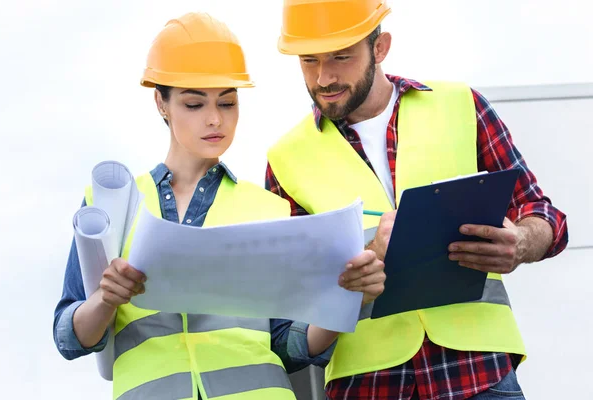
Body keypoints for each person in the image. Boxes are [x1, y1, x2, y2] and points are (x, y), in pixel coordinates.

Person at [53, 12, 386, 400]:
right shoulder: (111, 205)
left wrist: (351, 298)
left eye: (227, 103)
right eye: (195, 105)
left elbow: (289, 345)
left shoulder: (269, 208)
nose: (215, 120)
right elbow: (69, 337)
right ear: (161, 102)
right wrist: (106, 299)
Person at [266, 1, 569, 399]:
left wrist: (524, 243)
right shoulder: (287, 160)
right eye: (309, 60)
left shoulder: (461, 106)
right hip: (370, 384)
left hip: (478, 374)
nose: (324, 77)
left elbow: (542, 212)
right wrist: (359, 272)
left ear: (380, 47)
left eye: (341, 56)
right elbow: (290, 322)